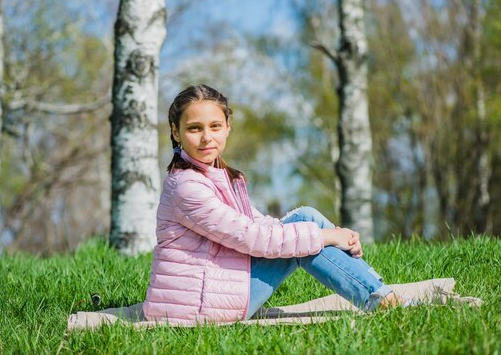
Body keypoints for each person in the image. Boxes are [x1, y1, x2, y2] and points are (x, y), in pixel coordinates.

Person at [142, 84, 404, 325]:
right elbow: (254, 238)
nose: (206, 137)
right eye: (194, 128)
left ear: (227, 127)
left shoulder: (216, 174)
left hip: (213, 290)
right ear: (176, 132)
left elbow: (256, 224)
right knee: (305, 233)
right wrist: (328, 236)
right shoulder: (187, 187)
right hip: (198, 306)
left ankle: (378, 292)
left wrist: (332, 236)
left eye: (215, 126)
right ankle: (382, 300)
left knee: (305, 219)